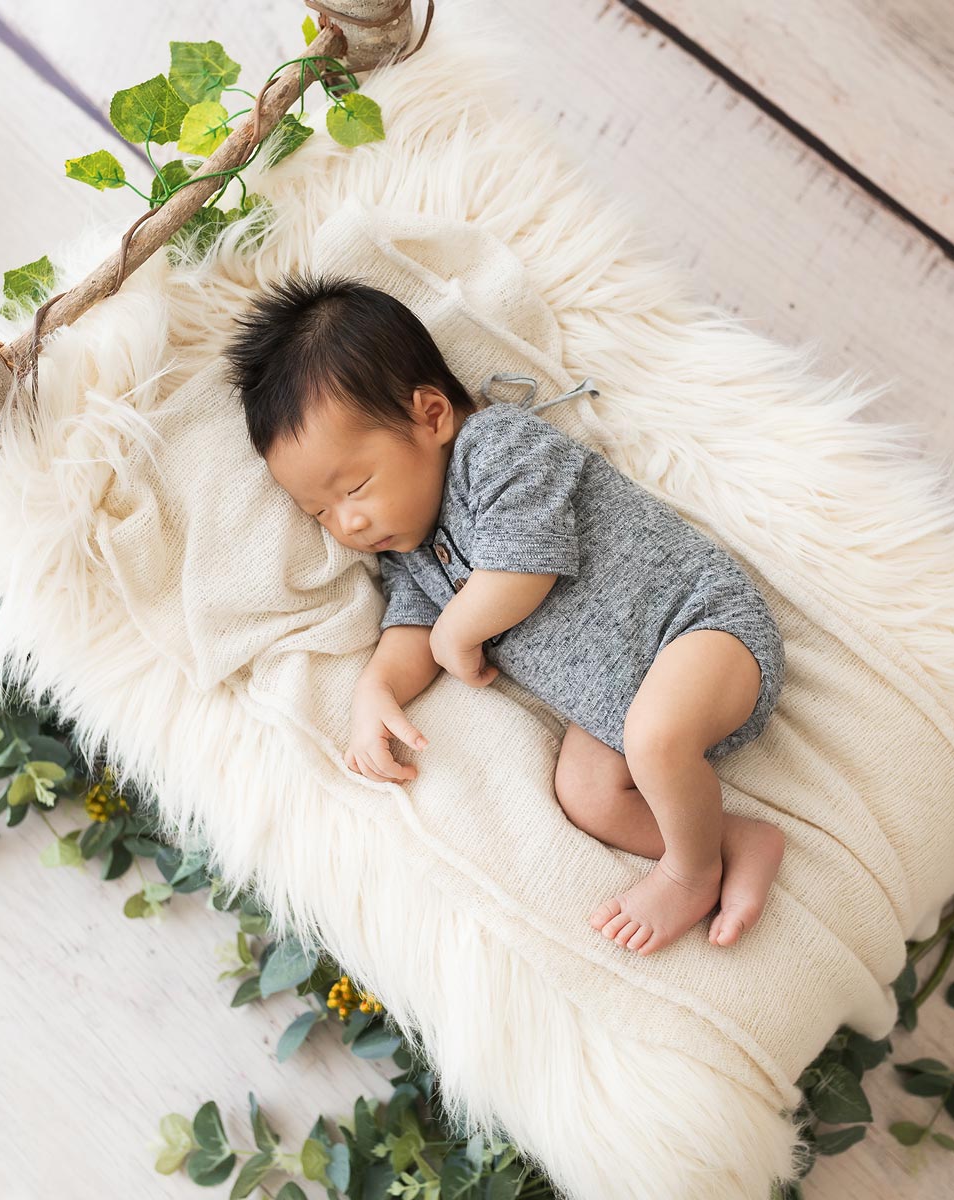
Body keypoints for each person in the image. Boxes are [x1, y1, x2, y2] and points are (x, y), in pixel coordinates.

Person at [223, 271, 787, 955]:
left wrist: (458, 631)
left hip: (700, 630)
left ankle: (690, 873)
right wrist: (376, 690)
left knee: (656, 736)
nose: (347, 521)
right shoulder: (412, 554)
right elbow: (411, 631)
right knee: (587, 794)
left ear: (431, 416)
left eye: (355, 486)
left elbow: (529, 563)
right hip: (618, 707)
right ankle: (734, 840)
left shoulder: (499, 448)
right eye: (320, 511)